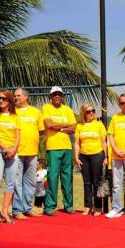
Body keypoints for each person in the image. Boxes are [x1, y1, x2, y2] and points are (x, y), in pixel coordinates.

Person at [42, 86, 77, 216]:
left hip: (67, 148)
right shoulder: (46, 108)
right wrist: (65, 127)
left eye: (60, 94)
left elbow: (74, 128)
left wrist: (58, 128)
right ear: (51, 96)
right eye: (55, 94)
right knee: (52, 177)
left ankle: (68, 205)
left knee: (67, 178)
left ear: (62, 96)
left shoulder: (67, 110)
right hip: (53, 148)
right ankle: (50, 207)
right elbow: (48, 125)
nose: (57, 96)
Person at [0, 90, 20, 224]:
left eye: (4, 99)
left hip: (12, 152)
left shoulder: (15, 117)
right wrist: (6, 149)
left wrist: (13, 150)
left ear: (9, 101)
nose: (1, 101)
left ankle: (5, 212)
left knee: (11, 182)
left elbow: (18, 137)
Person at [12, 88, 44, 219]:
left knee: (30, 182)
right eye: (15, 96)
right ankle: (17, 210)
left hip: (32, 152)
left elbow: (41, 130)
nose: (16, 97)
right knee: (17, 183)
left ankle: (27, 208)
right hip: (17, 152)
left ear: (26, 97)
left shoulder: (36, 112)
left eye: (18, 95)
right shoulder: (12, 112)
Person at [74, 104, 108, 216]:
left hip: (97, 155)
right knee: (87, 182)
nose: (92, 113)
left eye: (93, 111)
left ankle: (98, 207)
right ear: (84, 113)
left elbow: (104, 142)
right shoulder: (80, 126)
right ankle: (88, 206)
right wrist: (76, 157)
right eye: (88, 111)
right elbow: (77, 143)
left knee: (97, 182)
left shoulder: (99, 125)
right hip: (84, 156)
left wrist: (106, 157)